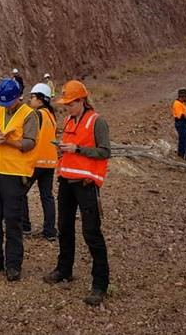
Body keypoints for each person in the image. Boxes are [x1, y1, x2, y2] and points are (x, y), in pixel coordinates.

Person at [43, 80, 111, 306]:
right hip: (66, 182)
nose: (67, 108)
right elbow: (69, 149)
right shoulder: (69, 120)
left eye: (71, 104)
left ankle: (100, 285)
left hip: (86, 185)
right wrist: (62, 150)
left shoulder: (97, 121)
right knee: (64, 228)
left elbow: (104, 152)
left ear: (82, 101)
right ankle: (64, 269)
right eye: (65, 104)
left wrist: (78, 149)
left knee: (91, 233)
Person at [0, 78, 38, 281]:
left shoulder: (29, 114)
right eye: (2, 102)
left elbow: (30, 143)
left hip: (15, 174)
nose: (5, 106)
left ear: (17, 97)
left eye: (8, 102)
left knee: (12, 220)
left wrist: (9, 142)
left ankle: (13, 264)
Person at [21, 83, 59, 241]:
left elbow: (31, 138)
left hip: (35, 162)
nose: (30, 99)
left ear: (42, 99)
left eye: (33, 97)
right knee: (47, 196)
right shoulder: (51, 115)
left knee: (20, 192)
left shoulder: (37, 115)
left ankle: (24, 227)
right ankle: (50, 231)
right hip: (50, 162)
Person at [172, 88, 186, 161]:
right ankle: (181, 155)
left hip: (183, 123)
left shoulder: (182, 103)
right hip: (181, 123)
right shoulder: (177, 104)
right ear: (182, 96)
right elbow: (180, 116)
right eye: (185, 96)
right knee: (183, 140)